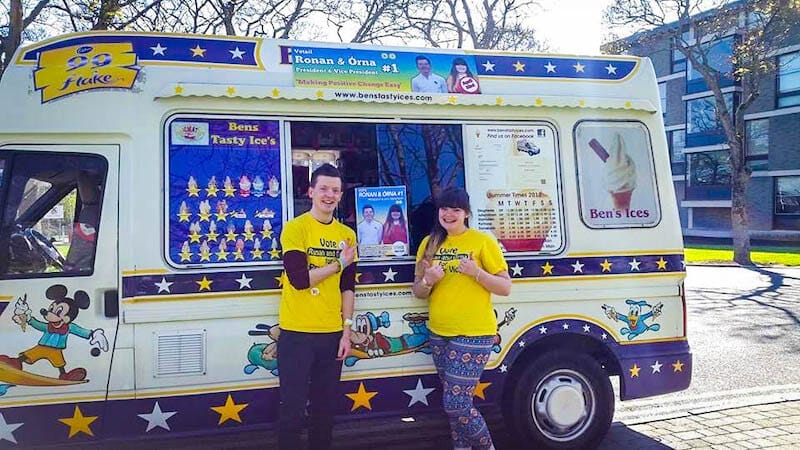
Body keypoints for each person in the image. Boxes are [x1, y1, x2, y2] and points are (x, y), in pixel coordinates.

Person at [412, 187, 511, 450]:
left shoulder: (482, 241)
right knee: (457, 405)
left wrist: (476, 273)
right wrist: (428, 280)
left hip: (474, 333)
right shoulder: (429, 244)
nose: (449, 214)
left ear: (466, 213)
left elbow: (505, 287)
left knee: (456, 404)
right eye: (444, 208)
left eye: (456, 209)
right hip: (439, 333)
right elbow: (418, 292)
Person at [278, 163, 357, 450]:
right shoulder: (295, 228)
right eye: (323, 188)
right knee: (292, 412)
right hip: (296, 334)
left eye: (335, 190)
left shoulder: (347, 235)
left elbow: (348, 287)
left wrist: (346, 331)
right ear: (310, 191)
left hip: (331, 334)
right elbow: (299, 280)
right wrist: (338, 264)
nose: (329, 195)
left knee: (324, 413)